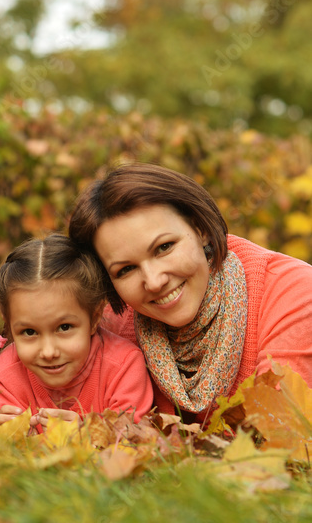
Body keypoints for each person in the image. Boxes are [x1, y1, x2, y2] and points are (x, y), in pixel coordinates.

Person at [68, 162, 312, 419]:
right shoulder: (117, 324)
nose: (153, 281)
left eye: (164, 247)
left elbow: (279, 434)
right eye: (125, 269)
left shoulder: (294, 293)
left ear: (201, 229)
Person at [0, 234, 153, 432]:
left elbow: (135, 439)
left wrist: (88, 434)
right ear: (9, 325)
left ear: (95, 317)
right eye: (29, 332)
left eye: (64, 328)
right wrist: (4, 437)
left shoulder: (123, 367)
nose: (48, 352)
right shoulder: (5, 374)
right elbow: (2, 449)